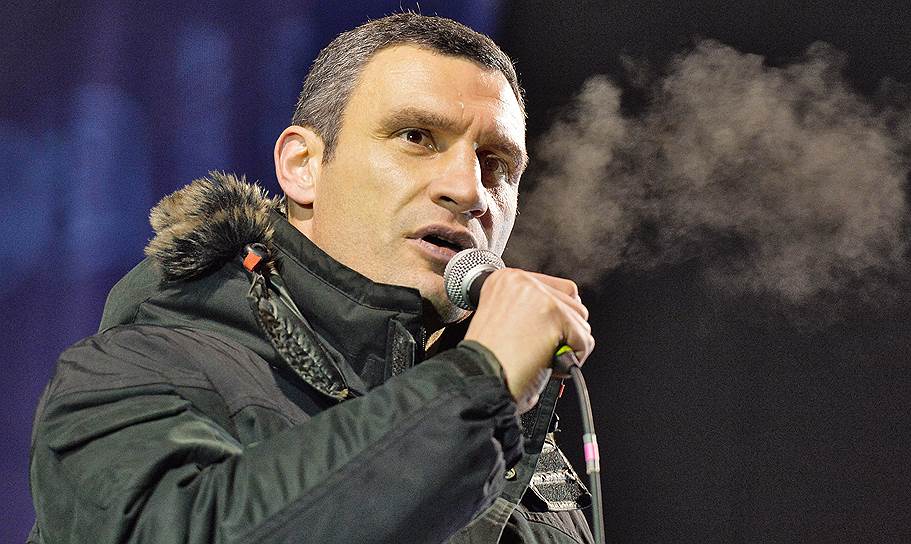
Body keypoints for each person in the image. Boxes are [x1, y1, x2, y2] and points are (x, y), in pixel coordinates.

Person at [28, 13, 595, 544]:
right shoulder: (135, 369)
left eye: (497, 164)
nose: (469, 191)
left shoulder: (511, 434)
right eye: (416, 137)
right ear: (303, 167)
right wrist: (477, 383)